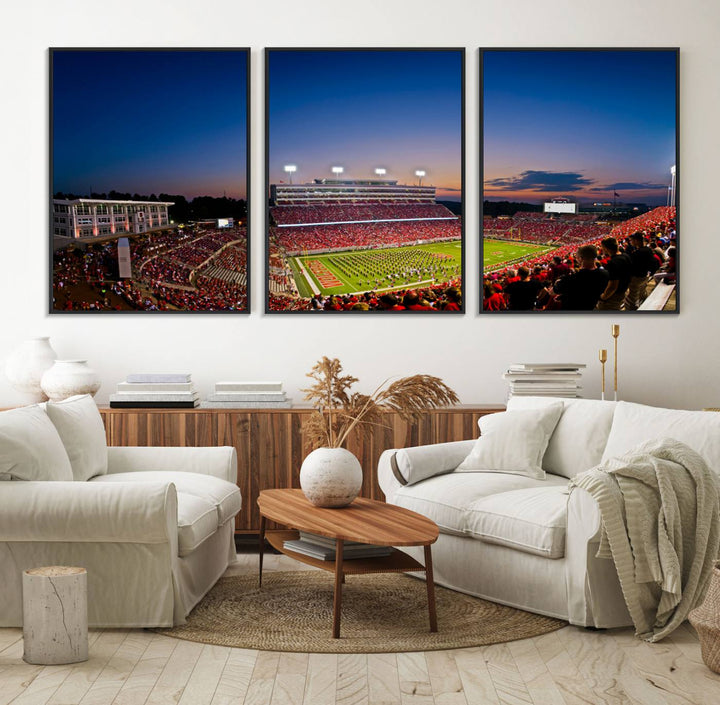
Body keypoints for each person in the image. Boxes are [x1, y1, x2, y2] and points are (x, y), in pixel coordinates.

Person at [553, 245, 609, 311]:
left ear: (581, 258)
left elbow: (554, 291)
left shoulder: (572, 278)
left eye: (577, 257)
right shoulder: (606, 274)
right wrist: (564, 296)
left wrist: (558, 283)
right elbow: (585, 292)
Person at [624, 232, 660, 310]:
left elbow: (632, 266)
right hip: (645, 276)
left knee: (631, 298)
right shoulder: (647, 250)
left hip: (637, 277)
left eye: (631, 240)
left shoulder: (639, 252)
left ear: (636, 240)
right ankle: (644, 306)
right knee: (642, 292)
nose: (630, 242)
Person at [596, 237, 632, 310]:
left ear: (606, 248)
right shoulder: (626, 256)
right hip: (623, 290)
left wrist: (604, 296)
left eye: (602, 247)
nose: (602, 249)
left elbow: (613, 285)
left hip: (614, 295)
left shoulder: (613, 263)